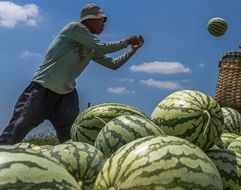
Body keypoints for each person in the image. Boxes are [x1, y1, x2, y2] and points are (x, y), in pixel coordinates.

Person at [0, 3, 144, 145]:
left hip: (66, 95)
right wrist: (126, 41)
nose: (104, 24)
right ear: (89, 20)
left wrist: (132, 50)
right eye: (101, 20)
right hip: (43, 88)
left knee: (71, 140)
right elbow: (103, 47)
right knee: (16, 129)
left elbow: (113, 64)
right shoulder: (74, 28)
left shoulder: (91, 48)